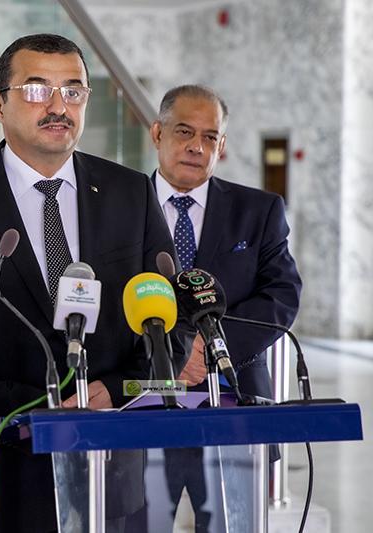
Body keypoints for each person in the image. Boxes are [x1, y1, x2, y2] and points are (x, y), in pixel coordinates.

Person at [0, 34, 185, 533]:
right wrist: (32, 408)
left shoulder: (130, 193)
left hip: (108, 476)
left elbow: (168, 324)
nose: (57, 106)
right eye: (36, 89)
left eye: (73, 91)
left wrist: (114, 390)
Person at [148, 84, 302, 532]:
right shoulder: (117, 205)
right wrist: (170, 356)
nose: (197, 146)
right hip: (142, 407)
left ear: (222, 146)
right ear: (157, 133)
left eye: (210, 136)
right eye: (184, 131)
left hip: (235, 406)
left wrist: (207, 349)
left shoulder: (259, 210)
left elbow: (282, 294)